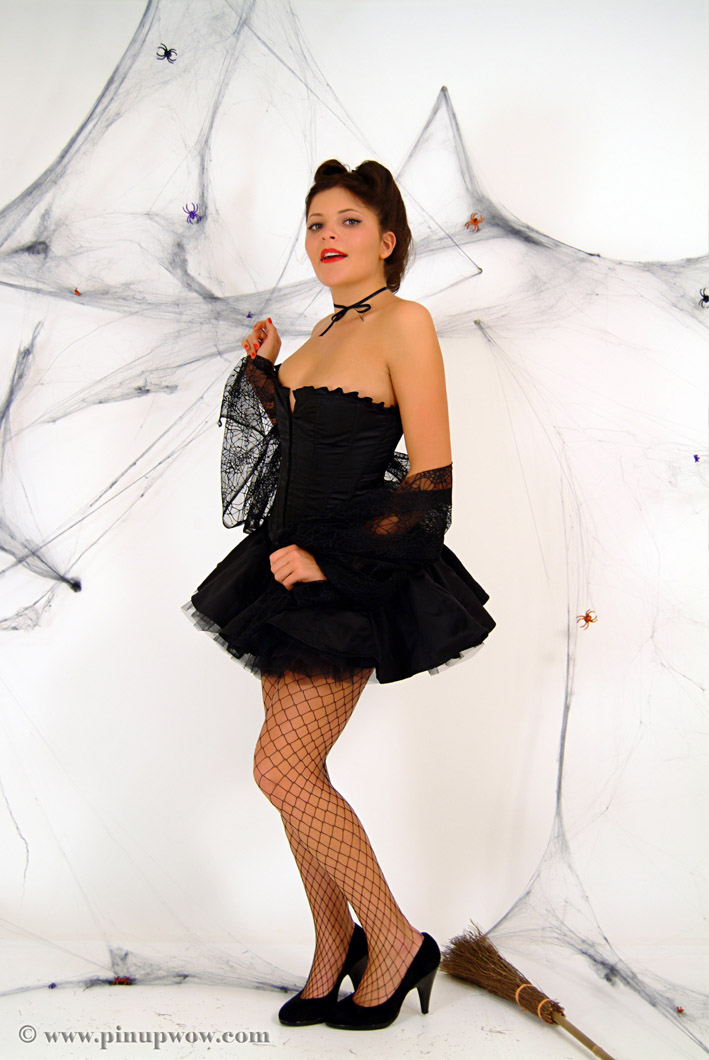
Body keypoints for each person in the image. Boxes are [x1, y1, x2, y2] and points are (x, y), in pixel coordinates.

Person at [185, 159, 495, 1031]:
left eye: (348, 221)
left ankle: (395, 940)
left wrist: (334, 564)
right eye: (316, 221)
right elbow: (282, 462)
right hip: (281, 574)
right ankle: (332, 948)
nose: (327, 234)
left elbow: (429, 485)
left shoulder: (406, 322)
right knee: (299, 777)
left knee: (278, 769)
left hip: (352, 577)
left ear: (387, 240)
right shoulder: (319, 331)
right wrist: (265, 374)